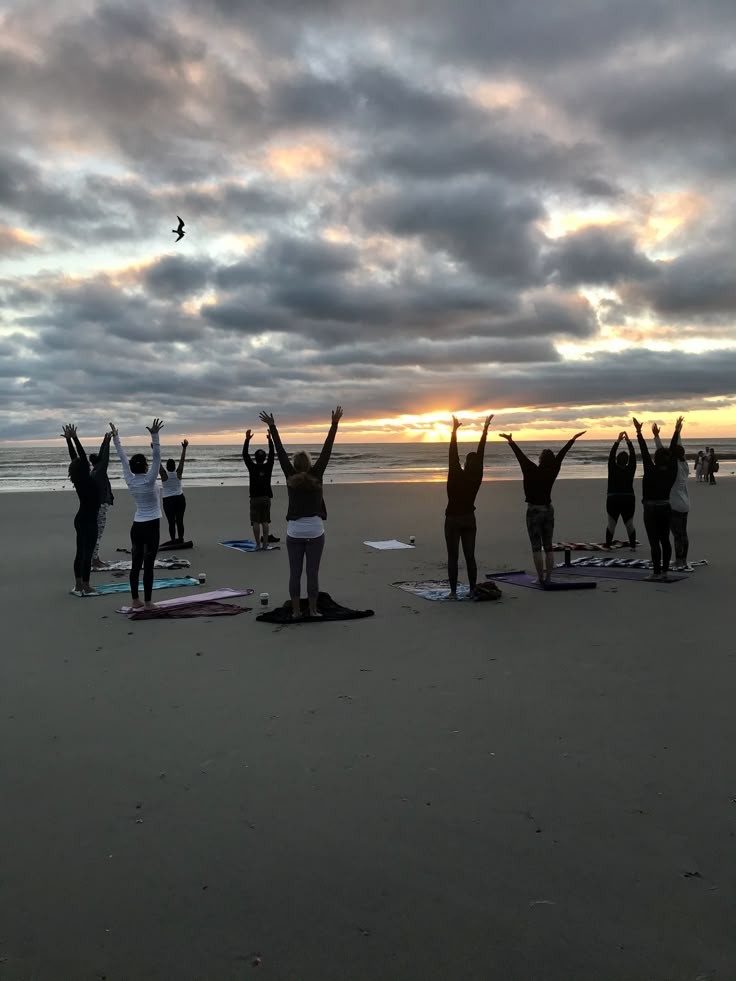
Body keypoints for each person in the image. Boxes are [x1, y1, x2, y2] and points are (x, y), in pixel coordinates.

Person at [259, 406, 342, 618]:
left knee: (295, 573)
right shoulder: (317, 474)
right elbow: (327, 450)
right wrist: (334, 424)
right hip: (315, 531)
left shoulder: (289, 476)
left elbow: (280, 452)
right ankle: (313, 610)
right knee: (312, 573)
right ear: (310, 464)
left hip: (295, 532)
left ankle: (296, 611)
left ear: (294, 465)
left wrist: (273, 427)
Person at [500, 429, 586, 584]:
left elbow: (520, 457)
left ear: (540, 460)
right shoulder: (553, 470)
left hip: (533, 511)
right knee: (548, 546)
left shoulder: (530, 469)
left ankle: (540, 578)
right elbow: (562, 454)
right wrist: (572, 439)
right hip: (548, 509)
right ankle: (548, 577)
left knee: (536, 547)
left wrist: (511, 441)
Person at [110, 418, 164, 610]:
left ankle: (135, 600)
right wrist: (155, 436)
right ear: (146, 467)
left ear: (132, 468)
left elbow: (122, 458)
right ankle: (148, 602)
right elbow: (157, 458)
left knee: (136, 564)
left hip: (137, 527)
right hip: (152, 526)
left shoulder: (130, 481)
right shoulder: (150, 480)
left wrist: (116, 439)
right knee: (148, 565)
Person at [445, 414, 493, 598]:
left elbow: (452, 453)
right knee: (470, 556)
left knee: (453, 557)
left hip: (452, 519)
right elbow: (481, 453)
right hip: (469, 519)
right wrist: (485, 430)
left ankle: (453, 592)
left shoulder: (455, 473)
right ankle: (472, 589)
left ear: (464, 463)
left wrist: (454, 431)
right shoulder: (476, 478)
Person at [633, 415, 682, 581]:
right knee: (665, 540)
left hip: (651, 509)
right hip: (666, 507)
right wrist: (676, 431)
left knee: (654, 542)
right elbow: (674, 452)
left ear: (655, 459)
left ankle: (655, 573)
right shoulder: (671, 472)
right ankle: (665, 572)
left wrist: (639, 432)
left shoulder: (650, 469)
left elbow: (644, 451)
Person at [62, 424, 100, 596]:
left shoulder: (78, 479)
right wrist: (74, 438)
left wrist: (69, 440)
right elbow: (81, 456)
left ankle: (79, 585)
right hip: (89, 520)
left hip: (81, 519)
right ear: (85, 467)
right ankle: (84, 585)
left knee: (81, 552)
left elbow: (75, 458)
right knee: (87, 552)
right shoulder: (85, 477)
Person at [653, 423, 690, 571]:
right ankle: (683, 560)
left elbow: (661, 452)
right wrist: (678, 432)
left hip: (674, 505)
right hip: (685, 504)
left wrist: (657, 436)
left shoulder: (674, 467)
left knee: (677, 535)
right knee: (683, 533)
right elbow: (677, 447)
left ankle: (680, 561)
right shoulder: (685, 463)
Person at [243, 428, 275, 549]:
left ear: (255, 458)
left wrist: (247, 440)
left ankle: (257, 544)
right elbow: (272, 454)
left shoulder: (252, 467)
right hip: (266, 497)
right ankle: (265, 544)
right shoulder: (268, 466)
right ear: (264, 458)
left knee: (256, 522)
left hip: (255, 498)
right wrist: (270, 440)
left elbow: (245, 455)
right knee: (265, 521)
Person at [605, 431, 637, 548]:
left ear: (617, 460)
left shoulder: (612, 467)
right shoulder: (631, 468)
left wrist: (618, 441)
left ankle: (608, 546)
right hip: (628, 498)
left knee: (611, 524)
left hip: (613, 498)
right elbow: (633, 456)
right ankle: (633, 546)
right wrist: (628, 441)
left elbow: (611, 455)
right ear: (627, 461)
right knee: (629, 524)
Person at [88, 434, 115, 569]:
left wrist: (104, 442)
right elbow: (105, 457)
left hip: (96, 506)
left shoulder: (94, 471)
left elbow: (102, 456)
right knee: (98, 533)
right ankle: (95, 560)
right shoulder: (99, 471)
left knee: (96, 533)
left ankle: (94, 558)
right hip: (101, 506)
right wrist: (107, 443)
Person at [159, 439, 188, 543]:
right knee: (180, 521)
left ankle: (173, 540)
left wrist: (155, 450)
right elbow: (182, 461)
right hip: (180, 499)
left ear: (167, 467)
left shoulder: (164, 475)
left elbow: (157, 462)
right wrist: (184, 448)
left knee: (171, 522)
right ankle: (180, 539)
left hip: (168, 501)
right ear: (175, 467)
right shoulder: (178, 473)